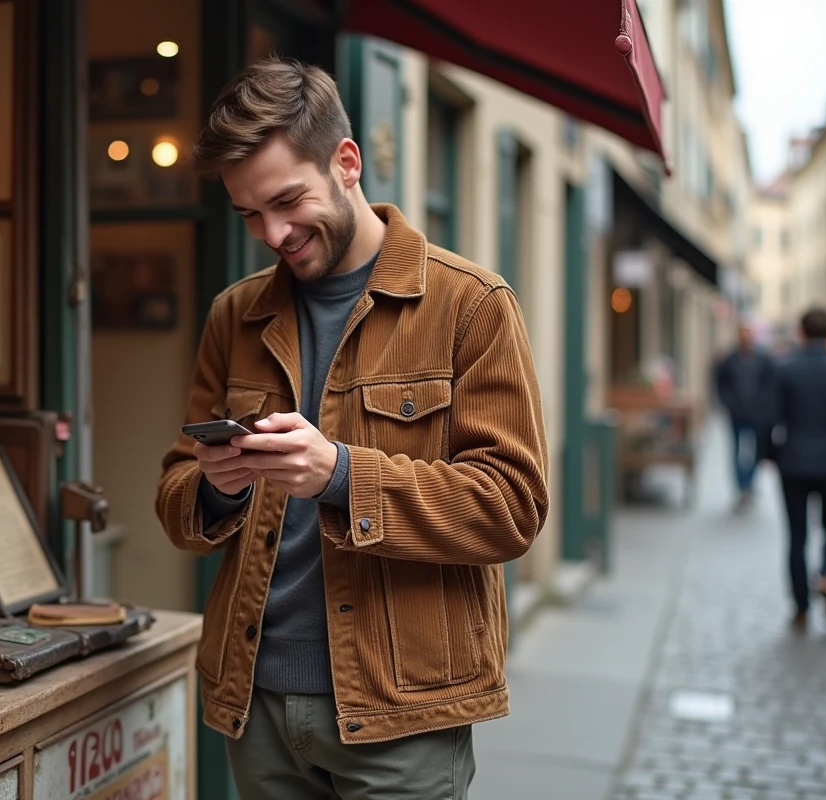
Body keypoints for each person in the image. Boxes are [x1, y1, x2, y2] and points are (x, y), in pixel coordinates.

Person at [155, 57, 549, 799]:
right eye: (249, 215)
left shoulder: (472, 305)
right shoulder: (233, 315)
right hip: (254, 703)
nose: (272, 232)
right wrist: (216, 491)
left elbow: (512, 508)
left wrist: (340, 473)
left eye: (286, 201)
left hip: (402, 714)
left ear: (346, 162)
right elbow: (177, 493)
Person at [768, 307, 826, 628]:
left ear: (801, 332)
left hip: (793, 462)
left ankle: (801, 607)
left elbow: (769, 417)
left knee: (796, 536)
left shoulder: (786, 368)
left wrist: (770, 454)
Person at [715, 323, 777, 511]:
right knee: (737, 452)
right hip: (737, 414)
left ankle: (749, 484)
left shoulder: (763, 359)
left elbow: (770, 384)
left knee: (755, 452)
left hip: (757, 415)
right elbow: (720, 384)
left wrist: (764, 406)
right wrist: (729, 403)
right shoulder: (730, 359)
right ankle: (741, 488)